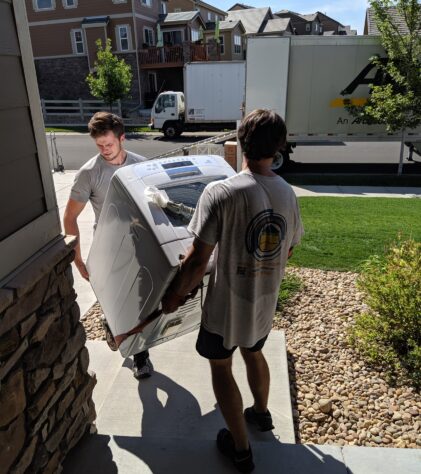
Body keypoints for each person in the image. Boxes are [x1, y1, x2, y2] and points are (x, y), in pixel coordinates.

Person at [162, 109, 304, 472]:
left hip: (226, 307)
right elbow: (287, 247)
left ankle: (240, 450)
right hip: (262, 302)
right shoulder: (287, 192)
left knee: (221, 367)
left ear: (240, 141)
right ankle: (260, 414)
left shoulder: (221, 192)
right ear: (280, 146)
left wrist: (175, 296)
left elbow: (196, 261)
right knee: (254, 354)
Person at [63, 111, 154, 380]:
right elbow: (69, 217)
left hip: (138, 245)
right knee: (118, 304)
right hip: (107, 250)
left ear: (122, 138)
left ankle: (140, 355)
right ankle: (113, 324)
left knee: (138, 304)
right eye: (99, 145)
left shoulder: (140, 165)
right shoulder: (89, 173)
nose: (104, 150)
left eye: (109, 144)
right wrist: (77, 258)